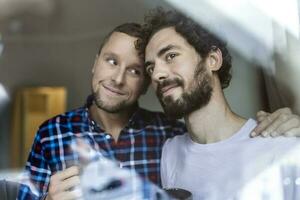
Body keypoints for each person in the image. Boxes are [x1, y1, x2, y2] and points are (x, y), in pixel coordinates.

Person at [18, 22, 299, 200]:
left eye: (137, 70)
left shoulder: (169, 137)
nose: (117, 78)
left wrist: (292, 125)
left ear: (144, 85)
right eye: (111, 61)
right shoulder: (50, 134)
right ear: (96, 63)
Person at [141, 9, 300, 199]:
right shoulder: (170, 152)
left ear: (213, 60)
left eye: (171, 56)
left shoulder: (281, 147)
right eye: (151, 68)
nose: (157, 74)